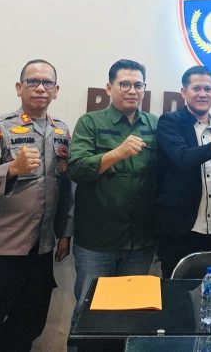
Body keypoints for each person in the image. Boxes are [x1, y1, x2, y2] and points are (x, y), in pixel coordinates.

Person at [0, 59, 74, 351]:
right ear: (19, 87)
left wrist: (65, 232)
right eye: (32, 81)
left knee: (26, 331)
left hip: (41, 250)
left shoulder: (62, 132)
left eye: (47, 83)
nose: (40, 88)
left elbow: (65, 189)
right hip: (1, 250)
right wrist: (11, 169)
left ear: (56, 90)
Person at [68, 59, 159, 320]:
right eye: (124, 84)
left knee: (131, 315)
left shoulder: (154, 124)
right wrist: (117, 153)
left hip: (140, 241)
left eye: (138, 85)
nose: (132, 91)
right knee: (88, 315)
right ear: (109, 88)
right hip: (97, 242)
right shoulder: (90, 122)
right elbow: (76, 169)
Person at [155, 65, 211, 278]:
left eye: (207, 89)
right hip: (180, 231)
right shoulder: (170, 122)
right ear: (183, 92)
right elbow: (183, 158)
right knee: (177, 294)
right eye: (196, 88)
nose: (202, 94)